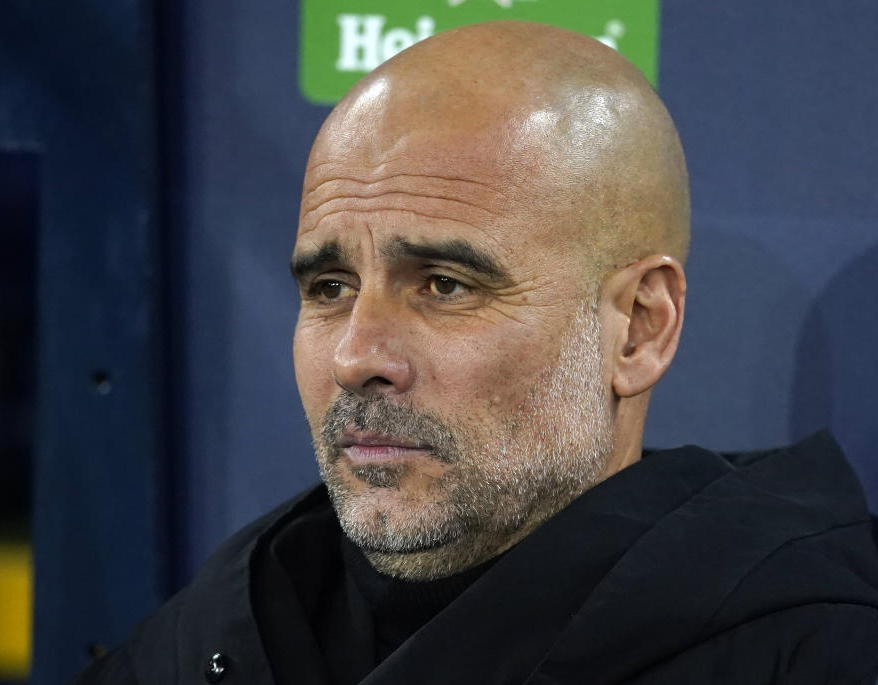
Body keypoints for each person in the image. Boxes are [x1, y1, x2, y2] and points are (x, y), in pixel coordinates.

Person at [75, 21, 878, 684]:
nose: (358, 355)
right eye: (328, 286)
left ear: (638, 327)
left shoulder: (811, 653)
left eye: (445, 285)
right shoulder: (201, 641)